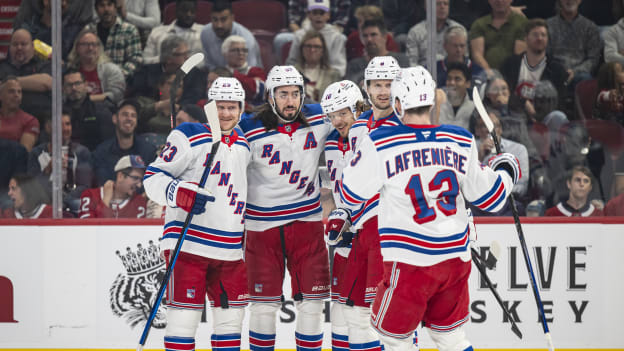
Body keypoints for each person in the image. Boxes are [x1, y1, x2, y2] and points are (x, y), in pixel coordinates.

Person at [336, 66, 519, 351]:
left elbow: (350, 193)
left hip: (410, 263)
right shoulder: (460, 139)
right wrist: (507, 169)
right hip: (454, 261)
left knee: (394, 340)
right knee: (451, 339)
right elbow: (491, 199)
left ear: (397, 104)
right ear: (432, 101)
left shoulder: (382, 142)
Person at [143, 77, 250, 351]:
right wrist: (179, 192)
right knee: (182, 324)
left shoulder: (246, 144)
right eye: (220, 107)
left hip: (231, 252)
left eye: (232, 107)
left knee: (230, 329)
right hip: (188, 245)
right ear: (209, 107)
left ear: (241, 108)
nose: (226, 113)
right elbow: (152, 177)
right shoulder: (188, 134)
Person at [238, 66, 331, 351]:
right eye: (283, 94)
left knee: (312, 304)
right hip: (261, 231)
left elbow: (357, 111)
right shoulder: (247, 127)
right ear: (270, 96)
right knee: (264, 308)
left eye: (295, 94)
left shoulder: (320, 117)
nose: (290, 101)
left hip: (308, 226)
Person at [326, 58, 403, 351]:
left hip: (391, 227)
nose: (383, 91)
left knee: (389, 315)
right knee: (354, 312)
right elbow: (358, 180)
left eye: (389, 84)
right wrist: (344, 211)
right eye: (377, 84)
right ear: (366, 88)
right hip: (362, 229)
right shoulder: (359, 126)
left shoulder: (406, 122)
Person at [320, 80, 366, 351]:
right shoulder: (331, 145)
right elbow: (331, 189)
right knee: (339, 311)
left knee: (368, 312)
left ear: (357, 109)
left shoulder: (372, 138)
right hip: (344, 236)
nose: (337, 120)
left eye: (342, 113)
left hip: (373, 235)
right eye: (332, 115)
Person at [28, 111, 92, 214]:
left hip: (72, 202)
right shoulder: (36, 153)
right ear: (48, 127)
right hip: (44, 203)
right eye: (60, 125)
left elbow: (85, 185)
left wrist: (63, 201)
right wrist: (48, 169)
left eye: (67, 124)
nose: (65, 129)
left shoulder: (82, 152)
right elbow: (31, 187)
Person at [501, 18, 568, 114]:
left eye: (543, 35)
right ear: (526, 38)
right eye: (535, 35)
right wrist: (523, 103)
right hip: (513, 112)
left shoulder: (557, 69)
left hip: (544, 117)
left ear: (548, 39)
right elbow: (503, 95)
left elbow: (559, 103)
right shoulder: (510, 64)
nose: (540, 38)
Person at [92, 99, 157, 185]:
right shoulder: (102, 152)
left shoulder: (149, 151)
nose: (129, 118)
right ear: (115, 119)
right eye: (125, 114)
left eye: (133, 115)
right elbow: (104, 183)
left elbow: (151, 184)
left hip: (140, 198)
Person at [0, 29, 52, 121]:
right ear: (10, 47)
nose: (19, 47)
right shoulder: (2, 66)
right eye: (15, 44)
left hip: (40, 121)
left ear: (32, 46)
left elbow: (46, 82)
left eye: (23, 44)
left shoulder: (43, 64)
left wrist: (7, 83)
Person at [546, 0, 601, 88]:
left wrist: (575, 71)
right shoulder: (548, 25)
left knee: (586, 80)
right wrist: (560, 71)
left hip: (580, 74)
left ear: (580, 1)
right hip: (555, 73)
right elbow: (545, 55)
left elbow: (593, 59)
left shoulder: (590, 27)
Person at [286, 0, 347, 77]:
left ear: (328, 15)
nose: (318, 16)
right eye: (315, 12)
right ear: (309, 15)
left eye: (322, 13)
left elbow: (339, 68)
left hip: (328, 77)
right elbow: (292, 62)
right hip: (301, 75)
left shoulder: (337, 37)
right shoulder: (299, 35)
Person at [84, 0, 143, 80]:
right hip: (92, 80)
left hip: (120, 80)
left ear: (115, 8)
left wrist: (116, 77)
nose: (106, 9)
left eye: (109, 4)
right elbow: (80, 57)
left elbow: (135, 60)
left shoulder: (129, 30)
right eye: (102, 5)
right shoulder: (89, 30)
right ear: (96, 9)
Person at [66, 29, 126, 104]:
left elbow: (117, 94)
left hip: (104, 110)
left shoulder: (111, 69)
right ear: (77, 47)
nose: (90, 48)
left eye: (94, 44)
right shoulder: (69, 69)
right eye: (85, 44)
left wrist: (87, 100)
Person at [200, 0, 262, 70]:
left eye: (223, 19)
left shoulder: (246, 40)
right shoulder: (205, 33)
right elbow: (209, 65)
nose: (219, 25)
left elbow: (250, 71)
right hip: (216, 76)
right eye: (215, 19)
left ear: (232, 18)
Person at [62, 69, 116, 151]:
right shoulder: (58, 112)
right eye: (69, 85)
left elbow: (109, 142)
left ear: (85, 85)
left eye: (77, 83)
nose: (74, 88)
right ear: (63, 88)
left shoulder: (100, 110)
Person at [345, 19, 409, 88]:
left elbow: (406, 85)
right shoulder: (354, 65)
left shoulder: (401, 60)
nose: (369, 39)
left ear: (384, 37)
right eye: (365, 36)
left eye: (373, 35)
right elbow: (349, 88)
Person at [469, 0, 528, 73]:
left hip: (513, 75)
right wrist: (491, 75)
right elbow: (477, 55)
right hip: (485, 75)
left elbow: (518, 56)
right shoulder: (479, 24)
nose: (499, 1)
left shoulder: (522, 23)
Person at [79, 155, 147, 218]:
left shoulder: (139, 202)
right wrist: (106, 200)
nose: (139, 185)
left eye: (141, 180)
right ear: (120, 176)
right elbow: (89, 229)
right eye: (135, 178)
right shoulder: (90, 195)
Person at [142, 0, 203, 65]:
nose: (188, 14)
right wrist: (163, 58)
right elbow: (145, 60)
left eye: (192, 11)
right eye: (184, 10)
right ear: (176, 11)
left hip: (194, 72)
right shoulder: (157, 32)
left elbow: (207, 62)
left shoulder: (204, 33)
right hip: (162, 72)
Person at [406, 0, 464, 67]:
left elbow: (464, 60)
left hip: (451, 74)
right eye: (438, 4)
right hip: (425, 74)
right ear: (427, 7)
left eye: (445, 4)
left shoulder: (459, 30)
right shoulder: (415, 32)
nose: (442, 7)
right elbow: (412, 64)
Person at [294, 31, 342, 103]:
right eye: (308, 46)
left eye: (317, 47)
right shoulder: (292, 72)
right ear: (302, 49)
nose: (312, 50)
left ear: (323, 51)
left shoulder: (333, 75)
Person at [222, 35, 267, 109]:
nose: (241, 53)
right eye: (235, 50)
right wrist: (250, 82)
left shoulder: (256, 71)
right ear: (225, 54)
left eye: (244, 50)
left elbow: (261, 93)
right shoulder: (218, 72)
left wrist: (233, 75)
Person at [0, 76, 39, 152]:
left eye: (19, 92)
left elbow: (23, 153)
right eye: (11, 91)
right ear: (1, 96)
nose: (16, 95)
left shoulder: (30, 121)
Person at [437, 62, 475, 129]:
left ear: (468, 84)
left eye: (457, 79)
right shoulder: (436, 106)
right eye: (449, 79)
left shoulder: (474, 109)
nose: (452, 82)